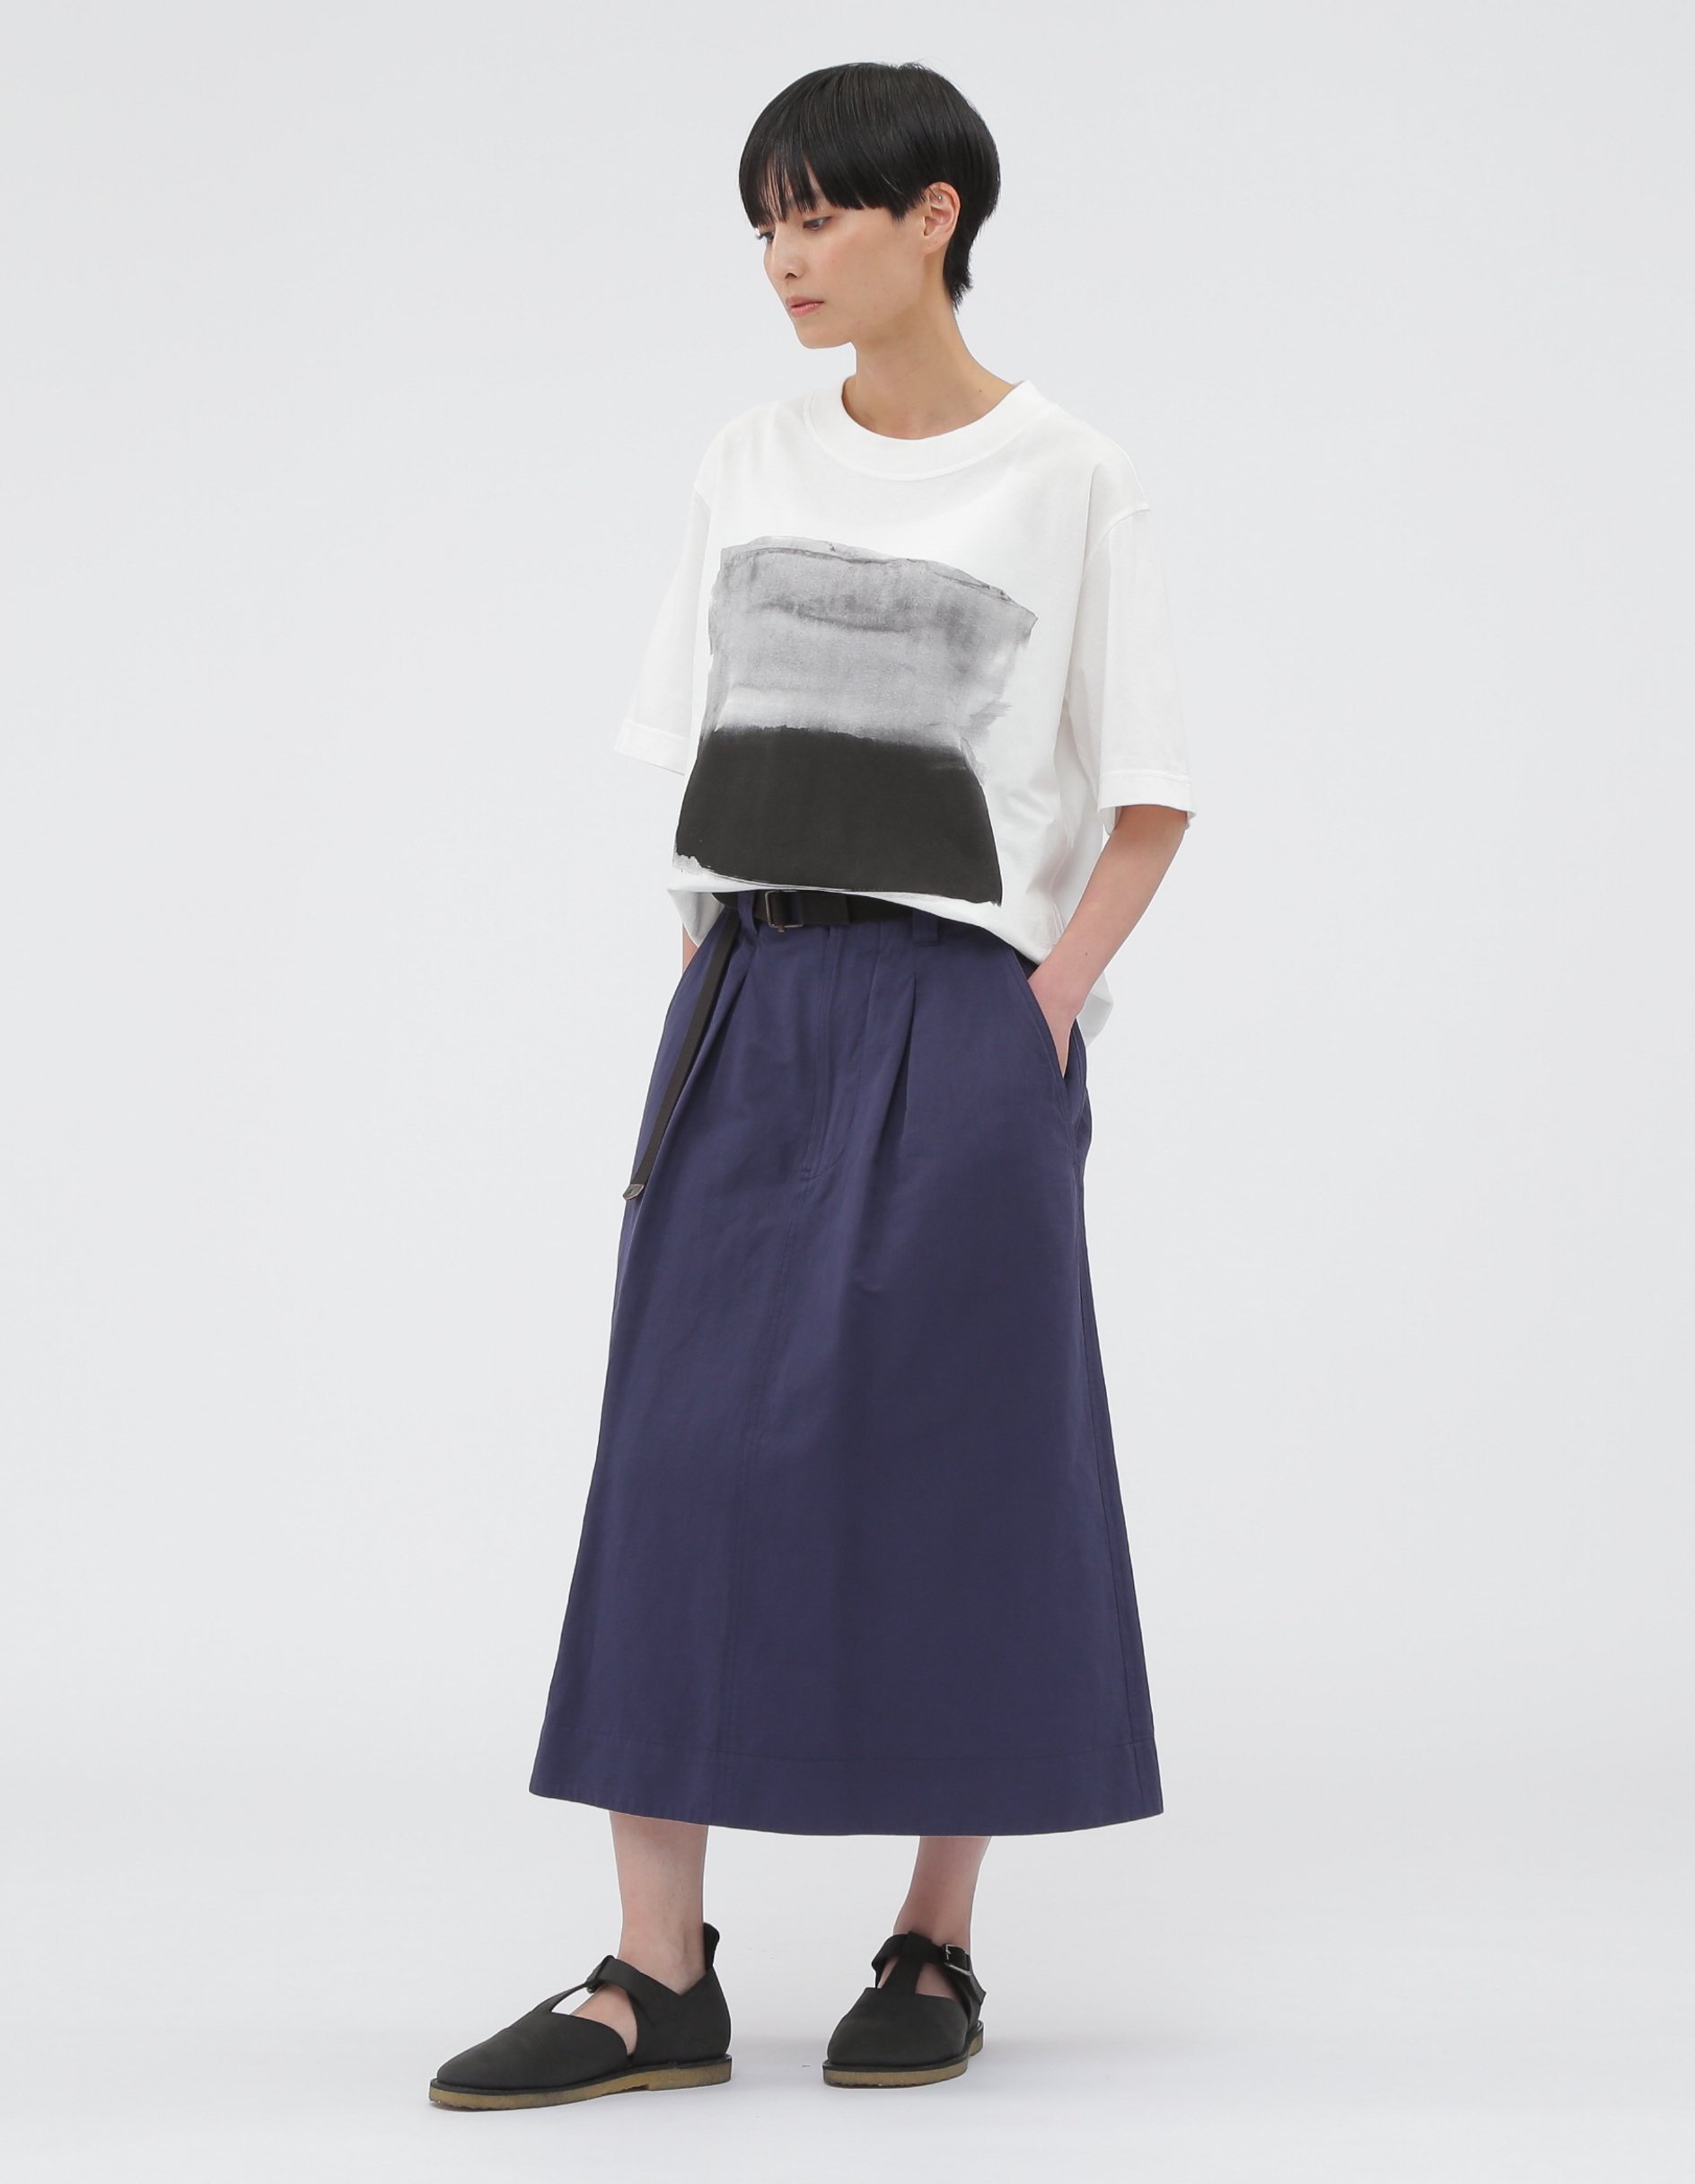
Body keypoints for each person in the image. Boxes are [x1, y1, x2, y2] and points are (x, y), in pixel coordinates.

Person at [428, 57, 1196, 2109]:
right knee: (675, 1456)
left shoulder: (1071, 475)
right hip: (751, 995)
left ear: (934, 215)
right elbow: (697, 760)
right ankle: (652, 1974)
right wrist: (713, 983)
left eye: (816, 216)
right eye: (762, 225)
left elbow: (1147, 792)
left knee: (964, 1451)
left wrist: (1043, 1005)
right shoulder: (747, 458)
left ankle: (935, 1938)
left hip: (964, 1010)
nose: (781, 259)